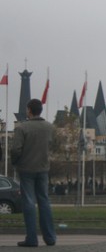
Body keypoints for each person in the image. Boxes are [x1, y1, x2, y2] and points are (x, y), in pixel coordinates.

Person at [10, 98, 56, 247]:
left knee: (29, 202)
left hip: (26, 169)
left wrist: (15, 162)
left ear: (29, 110)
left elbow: (16, 149)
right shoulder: (49, 127)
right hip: (43, 168)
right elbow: (51, 146)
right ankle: (50, 237)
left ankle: (31, 238)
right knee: (44, 201)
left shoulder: (22, 128)